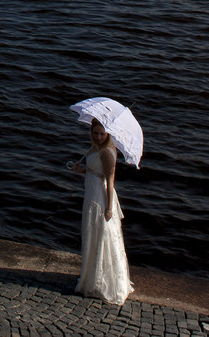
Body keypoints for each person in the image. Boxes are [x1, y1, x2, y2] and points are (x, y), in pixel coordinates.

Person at [71, 116, 133, 303]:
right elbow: (93, 171)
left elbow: (110, 181)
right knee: (93, 234)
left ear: (108, 134)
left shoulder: (107, 153)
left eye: (102, 134)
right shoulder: (95, 148)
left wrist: (108, 207)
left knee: (102, 235)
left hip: (100, 196)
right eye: (95, 133)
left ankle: (102, 281)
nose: (98, 137)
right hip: (91, 194)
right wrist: (79, 170)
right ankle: (91, 277)